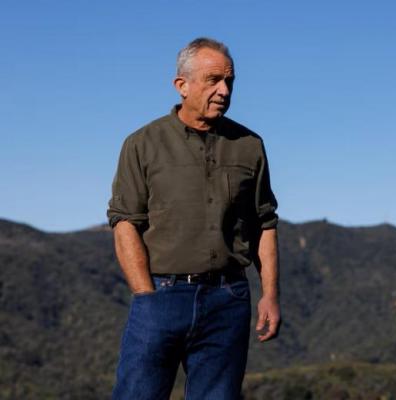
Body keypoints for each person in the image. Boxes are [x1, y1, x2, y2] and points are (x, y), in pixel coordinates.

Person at [106, 37, 281, 400]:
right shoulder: (142, 144)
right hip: (162, 295)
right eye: (213, 80)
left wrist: (270, 295)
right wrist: (145, 295)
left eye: (229, 81)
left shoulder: (249, 146)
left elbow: (264, 223)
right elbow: (125, 223)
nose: (224, 90)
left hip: (228, 299)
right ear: (181, 85)